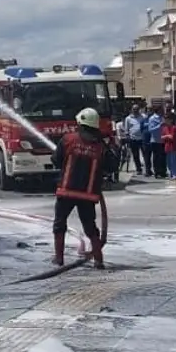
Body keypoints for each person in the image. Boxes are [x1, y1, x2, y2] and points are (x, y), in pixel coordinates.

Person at [51, 107, 113, 269]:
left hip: (66, 192)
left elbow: (56, 160)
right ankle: (98, 260)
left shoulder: (68, 139)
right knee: (90, 227)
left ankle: (58, 259)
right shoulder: (100, 147)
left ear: (80, 123)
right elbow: (112, 166)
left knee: (59, 224)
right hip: (88, 195)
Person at [147, 106, 166, 179]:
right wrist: (159, 125)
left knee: (163, 157)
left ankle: (163, 172)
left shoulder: (163, 117)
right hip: (155, 140)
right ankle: (157, 172)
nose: (163, 111)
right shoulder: (152, 118)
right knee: (156, 157)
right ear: (158, 110)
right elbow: (150, 130)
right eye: (161, 110)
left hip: (163, 140)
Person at [125, 104, 145, 175]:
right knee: (135, 155)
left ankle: (147, 169)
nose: (135, 110)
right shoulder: (128, 118)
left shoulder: (143, 117)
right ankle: (138, 169)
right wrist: (128, 137)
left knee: (145, 154)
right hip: (133, 139)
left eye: (137, 109)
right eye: (134, 109)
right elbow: (126, 130)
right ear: (132, 110)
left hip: (142, 138)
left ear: (139, 109)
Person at [162, 110, 176, 179]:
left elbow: (172, 137)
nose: (166, 121)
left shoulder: (174, 127)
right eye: (165, 119)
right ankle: (171, 173)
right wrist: (167, 136)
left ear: (171, 120)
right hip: (167, 147)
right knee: (168, 162)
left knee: (174, 161)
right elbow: (162, 137)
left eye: (167, 119)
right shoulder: (164, 128)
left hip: (173, 147)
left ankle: (175, 174)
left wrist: (166, 136)